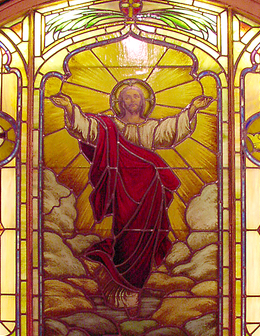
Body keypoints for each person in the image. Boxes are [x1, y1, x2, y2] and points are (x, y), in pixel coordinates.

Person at [50, 82, 213, 315]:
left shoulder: (151, 128)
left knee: (148, 235)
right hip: (123, 190)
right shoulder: (109, 127)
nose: (132, 100)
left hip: (150, 190)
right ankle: (121, 286)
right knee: (125, 235)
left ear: (144, 101)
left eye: (137, 96)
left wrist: (192, 109)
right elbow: (87, 129)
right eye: (127, 97)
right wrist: (69, 107)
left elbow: (171, 130)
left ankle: (133, 291)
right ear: (120, 102)